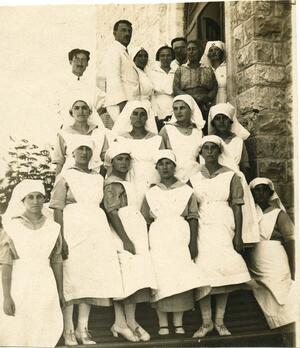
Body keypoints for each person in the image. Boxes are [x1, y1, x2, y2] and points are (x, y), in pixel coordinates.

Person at [50, 137, 123, 345]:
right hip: (73, 230)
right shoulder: (65, 176)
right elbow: (57, 208)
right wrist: (61, 238)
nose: (84, 153)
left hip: (95, 231)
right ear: (72, 153)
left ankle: (83, 329)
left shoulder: (99, 177)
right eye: (79, 149)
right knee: (71, 278)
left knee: (89, 278)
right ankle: (68, 330)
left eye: (87, 149)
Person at [141, 150, 209, 336]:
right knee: (162, 277)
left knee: (180, 276)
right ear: (156, 167)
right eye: (161, 164)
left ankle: (178, 323)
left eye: (169, 163)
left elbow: (193, 217)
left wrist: (193, 243)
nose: (165, 167)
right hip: (158, 237)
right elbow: (145, 220)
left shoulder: (187, 191)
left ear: (174, 166)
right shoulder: (151, 193)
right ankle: (163, 323)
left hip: (180, 236)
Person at [190, 135, 251, 338]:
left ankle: (219, 321)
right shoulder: (193, 176)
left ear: (219, 151)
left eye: (213, 148)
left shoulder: (231, 176)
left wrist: (239, 236)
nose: (209, 152)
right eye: (205, 148)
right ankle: (206, 322)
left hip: (224, 225)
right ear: (200, 152)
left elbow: (237, 206)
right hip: (202, 224)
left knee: (224, 269)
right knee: (204, 271)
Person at [103, 143, 157, 342]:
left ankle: (128, 321)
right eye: (119, 159)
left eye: (126, 159)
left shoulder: (128, 182)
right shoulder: (112, 183)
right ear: (112, 162)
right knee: (124, 274)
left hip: (135, 229)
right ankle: (122, 322)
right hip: (122, 231)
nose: (124, 163)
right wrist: (125, 239)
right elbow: (112, 212)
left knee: (134, 276)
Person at [0, 179, 63, 347]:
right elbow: (5, 264)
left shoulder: (53, 227)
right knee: (18, 330)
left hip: (45, 283)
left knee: (42, 331)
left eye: (39, 197)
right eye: (30, 197)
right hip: (19, 284)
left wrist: (60, 292)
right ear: (23, 200)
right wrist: (6, 297)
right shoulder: (12, 227)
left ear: (44, 199)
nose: (35, 201)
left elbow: (57, 261)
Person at [206, 103, 260, 244]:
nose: (222, 122)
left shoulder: (238, 141)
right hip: (216, 183)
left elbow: (245, 166)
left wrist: (242, 185)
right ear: (213, 122)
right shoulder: (209, 143)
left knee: (240, 215)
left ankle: (241, 242)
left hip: (236, 181)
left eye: (225, 118)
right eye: (218, 119)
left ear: (231, 121)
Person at [248, 178, 295, 329]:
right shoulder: (249, 214)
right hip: (257, 261)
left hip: (276, 261)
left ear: (270, 193)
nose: (261, 193)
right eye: (257, 190)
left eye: (264, 189)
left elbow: (290, 240)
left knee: (283, 291)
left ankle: (291, 329)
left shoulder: (278, 214)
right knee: (265, 295)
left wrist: (294, 267)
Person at [112, 100, 162, 208]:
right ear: (129, 116)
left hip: (153, 178)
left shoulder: (157, 139)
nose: (139, 117)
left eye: (142, 114)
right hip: (130, 179)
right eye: (135, 114)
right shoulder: (121, 139)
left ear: (147, 117)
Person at [52, 98, 108, 176]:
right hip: (70, 176)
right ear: (71, 113)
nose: (81, 111)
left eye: (84, 108)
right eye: (77, 108)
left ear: (90, 112)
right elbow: (59, 161)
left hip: (95, 176)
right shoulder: (64, 134)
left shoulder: (100, 133)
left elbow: (105, 159)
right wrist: (57, 182)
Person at [173, 40, 218, 134]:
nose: (191, 52)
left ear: (200, 51)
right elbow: (176, 89)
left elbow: (214, 87)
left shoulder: (208, 69)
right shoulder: (180, 70)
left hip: (204, 105)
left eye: (194, 49)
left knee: (204, 130)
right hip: (187, 106)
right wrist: (190, 99)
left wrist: (208, 97)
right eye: (189, 49)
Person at [159, 95, 205, 183]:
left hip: (195, 178)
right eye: (175, 109)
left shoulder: (198, 132)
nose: (178, 112)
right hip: (174, 178)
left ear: (190, 110)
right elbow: (161, 158)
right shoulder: (167, 130)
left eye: (182, 108)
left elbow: (202, 159)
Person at [56, 48, 104, 127]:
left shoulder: (90, 86)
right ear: (70, 62)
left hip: (88, 127)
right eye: (77, 59)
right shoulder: (61, 84)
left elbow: (105, 101)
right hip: (67, 126)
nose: (80, 63)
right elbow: (53, 107)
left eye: (83, 60)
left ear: (87, 64)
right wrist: (60, 124)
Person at [104, 20, 140, 122]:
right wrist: (122, 104)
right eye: (123, 30)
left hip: (128, 103)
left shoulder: (123, 51)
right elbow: (114, 78)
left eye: (129, 31)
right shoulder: (114, 50)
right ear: (114, 33)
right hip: (121, 104)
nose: (127, 34)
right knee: (123, 134)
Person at [148, 45, 176, 131]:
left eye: (168, 55)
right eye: (162, 55)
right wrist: (155, 113)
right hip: (157, 105)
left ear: (172, 57)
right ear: (158, 57)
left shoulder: (176, 72)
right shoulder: (152, 72)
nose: (165, 58)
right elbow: (151, 93)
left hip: (173, 104)